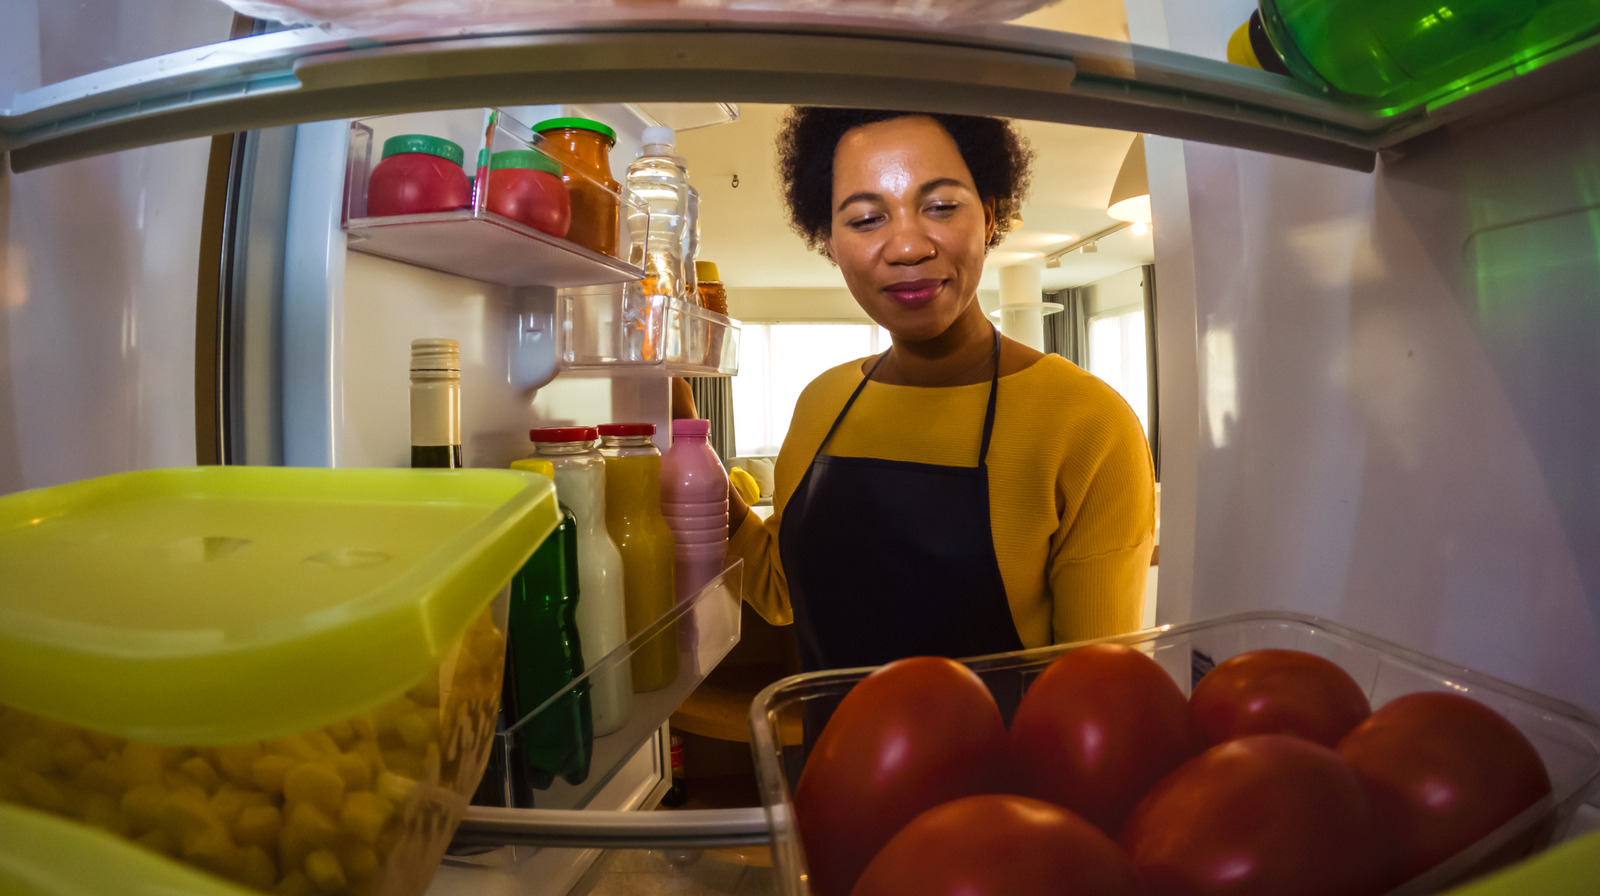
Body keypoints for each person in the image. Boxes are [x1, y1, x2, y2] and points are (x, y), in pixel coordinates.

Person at [726, 107, 1156, 672]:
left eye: (941, 207)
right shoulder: (820, 401)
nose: (907, 247)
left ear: (991, 215)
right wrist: (689, 459)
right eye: (864, 219)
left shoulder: (1089, 423)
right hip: (829, 759)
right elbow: (780, 594)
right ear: (828, 240)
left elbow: (1092, 694)